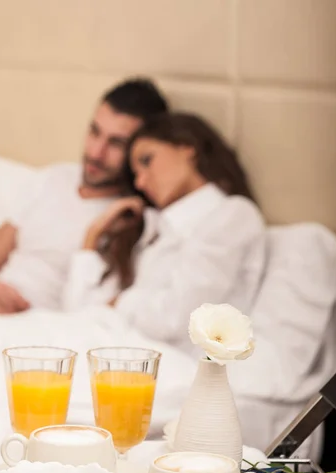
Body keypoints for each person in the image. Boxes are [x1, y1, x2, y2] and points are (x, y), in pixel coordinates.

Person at [0, 78, 168, 313]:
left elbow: (98, 313)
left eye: (116, 144)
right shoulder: (53, 178)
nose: (96, 152)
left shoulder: (131, 219)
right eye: (94, 132)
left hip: (38, 328)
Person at [62, 113, 266, 348]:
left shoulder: (233, 215)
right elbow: (77, 311)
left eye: (147, 160)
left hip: (174, 363)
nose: (140, 183)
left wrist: (120, 303)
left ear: (187, 148)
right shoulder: (154, 230)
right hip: (119, 349)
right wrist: (92, 237)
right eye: (136, 174)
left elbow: (178, 315)